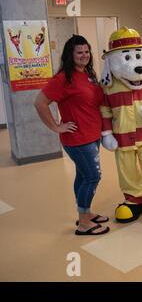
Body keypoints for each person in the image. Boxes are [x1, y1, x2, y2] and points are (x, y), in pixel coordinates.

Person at [34, 35, 109, 235]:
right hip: (77, 139)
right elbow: (40, 103)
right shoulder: (62, 79)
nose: (84, 55)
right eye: (79, 52)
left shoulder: (89, 74)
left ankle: (85, 213)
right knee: (93, 176)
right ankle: (84, 223)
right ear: (70, 54)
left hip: (93, 135)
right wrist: (56, 127)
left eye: (86, 51)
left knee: (83, 175)